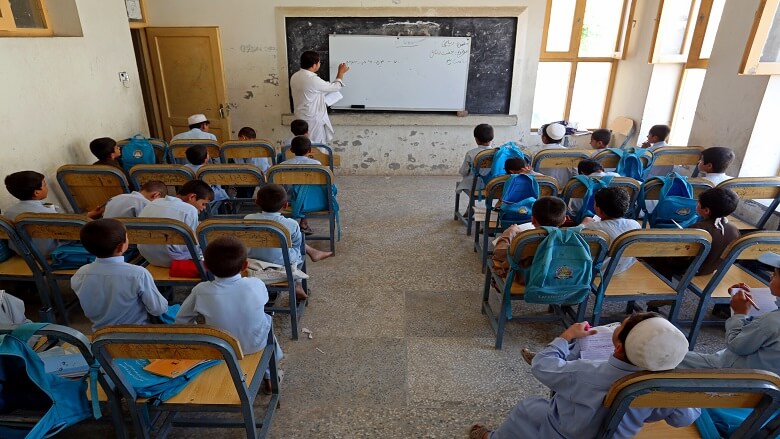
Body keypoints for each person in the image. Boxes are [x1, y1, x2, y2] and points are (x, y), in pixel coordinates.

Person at [470, 313, 698, 439]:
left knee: (528, 409)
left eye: (622, 324)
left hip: (563, 432)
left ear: (618, 347)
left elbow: (542, 366)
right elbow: (683, 419)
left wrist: (567, 335)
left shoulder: (586, 372)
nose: (619, 323)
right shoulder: (661, 385)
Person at [646, 188, 741, 316]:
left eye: (698, 203)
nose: (696, 204)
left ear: (706, 210)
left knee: (657, 257)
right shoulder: (734, 230)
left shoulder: (698, 230)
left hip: (691, 269)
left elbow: (680, 257)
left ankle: (663, 293)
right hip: (713, 268)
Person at [680, 252, 780, 374]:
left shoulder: (770, 322)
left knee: (669, 358)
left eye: (775, 274)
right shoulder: (772, 319)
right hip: (767, 377)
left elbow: (736, 345)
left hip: (736, 372)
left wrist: (739, 313)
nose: (770, 275)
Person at [71, 218, 168, 331]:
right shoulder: (138, 274)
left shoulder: (80, 274)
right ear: (121, 247)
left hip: (101, 337)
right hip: (137, 336)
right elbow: (158, 309)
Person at [245, 184, 333, 301]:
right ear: (286, 205)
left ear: (256, 202)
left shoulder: (248, 218)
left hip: (254, 260)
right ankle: (297, 284)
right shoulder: (291, 224)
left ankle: (313, 253)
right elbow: (297, 244)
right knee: (298, 250)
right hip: (282, 263)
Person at [4, 171, 102, 256]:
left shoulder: (8, 213)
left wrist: (88, 215)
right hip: (51, 252)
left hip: (23, 253)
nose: (47, 188)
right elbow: (70, 230)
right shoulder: (47, 214)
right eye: (44, 185)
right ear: (36, 192)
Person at [137, 180, 213, 267]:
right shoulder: (190, 210)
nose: (203, 208)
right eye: (203, 204)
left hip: (148, 256)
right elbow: (192, 245)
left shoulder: (154, 202)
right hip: (174, 260)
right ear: (192, 197)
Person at [492, 196, 567, 280]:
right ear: (564, 220)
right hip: (556, 278)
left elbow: (499, 253)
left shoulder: (525, 240)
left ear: (533, 220)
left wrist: (509, 232)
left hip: (528, 279)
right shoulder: (568, 237)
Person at [289, 50, 349, 144]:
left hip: (300, 117)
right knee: (316, 146)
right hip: (313, 119)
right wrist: (341, 72)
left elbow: (312, 91)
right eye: (319, 62)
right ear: (314, 65)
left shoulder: (295, 76)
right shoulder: (312, 80)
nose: (320, 64)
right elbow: (336, 86)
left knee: (302, 144)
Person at [582, 187, 641, 274]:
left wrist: (583, 224)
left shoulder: (590, 228)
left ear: (598, 209)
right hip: (621, 268)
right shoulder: (635, 225)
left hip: (595, 271)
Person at [183, 144, 229, 208]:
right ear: (206, 159)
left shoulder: (184, 168)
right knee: (222, 192)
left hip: (188, 194)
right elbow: (216, 183)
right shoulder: (208, 170)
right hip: (205, 195)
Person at [456, 124, 495, 192]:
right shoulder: (497, 153)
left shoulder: (471, 153)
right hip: (492, 185)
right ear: (492, 138)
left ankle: (471, 202)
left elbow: (463, 172)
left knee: (463, 182)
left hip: (474, 186)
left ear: (476, 139)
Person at [538, 122, 574, 187]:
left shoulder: (537, 153)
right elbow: (575, 173)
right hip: (564, 188)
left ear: (544, 138)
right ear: (561, 139)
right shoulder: (571, 153)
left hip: (543, 188)